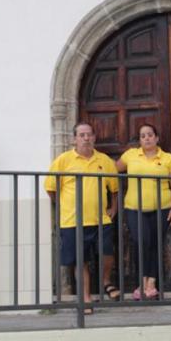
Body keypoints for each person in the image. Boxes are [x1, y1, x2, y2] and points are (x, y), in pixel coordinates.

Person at [44, 122, 119, 313]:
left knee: (107, 252)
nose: (86, 138)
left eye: (89, 135)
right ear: (74, 139)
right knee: (80, 260)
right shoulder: (63, 160)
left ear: (94, 137)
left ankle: (105, 281)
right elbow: (51, 188)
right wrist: (64, 205)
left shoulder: (104, 160)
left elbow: (114, 188)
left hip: (101, 219)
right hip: (72, 220)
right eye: (82, 135)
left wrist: (114, 207)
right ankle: (85, 299)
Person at [116, 124, 171, 300]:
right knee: (141, 242)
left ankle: (151, 283)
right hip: (134, 208)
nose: (147, 138)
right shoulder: (130, 155)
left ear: (157, 138)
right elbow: (111, 169)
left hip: (162, 208)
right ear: (140, 140)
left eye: (150, 135)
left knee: (156, 244)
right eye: (143, 136)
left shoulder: (168, 158)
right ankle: (141, 282)